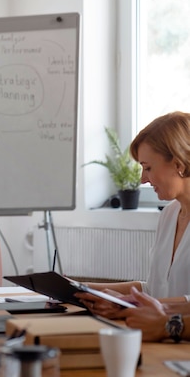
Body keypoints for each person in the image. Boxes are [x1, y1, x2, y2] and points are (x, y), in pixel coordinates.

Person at [77, 111, 190, 318]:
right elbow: (154, 291)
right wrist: (80, 288)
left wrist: (126, 304)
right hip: (157, 338)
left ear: (178, 164)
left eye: (147, 168)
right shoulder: (169, 215)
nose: (142, 179)